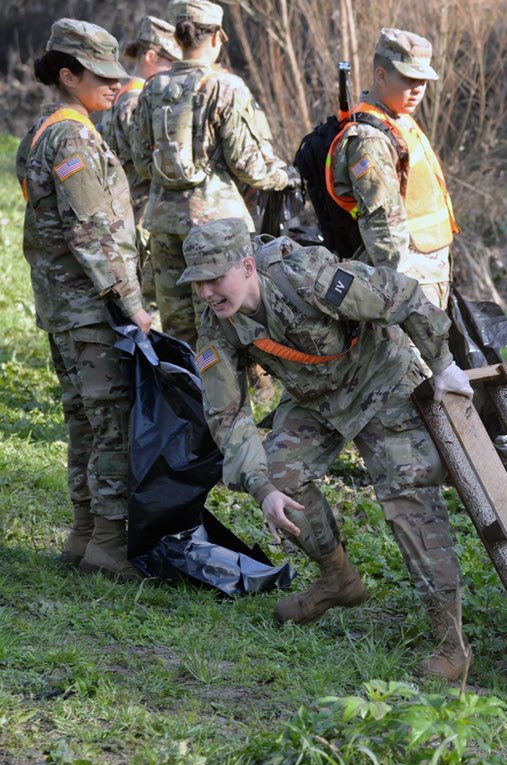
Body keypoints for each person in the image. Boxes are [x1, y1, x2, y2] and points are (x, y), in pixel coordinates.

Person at [182, 217, 475, 682]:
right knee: (277, 477)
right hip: (316, 400)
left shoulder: (307, 276)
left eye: (215, 279)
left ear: (246, 266)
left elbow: (403, 294)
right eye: (197, 283)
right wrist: (261, 488)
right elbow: (227, 413)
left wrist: (442, 364)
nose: (207, 293)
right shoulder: (217, 323)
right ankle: (339, 579)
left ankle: (450, 644)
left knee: (409, 500)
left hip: (383, 383)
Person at [18, 19, 152, 580]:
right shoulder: (71, 136)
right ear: (68, 75)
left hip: (64, 308)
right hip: (90, 310)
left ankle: (83, 536)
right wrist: (133, 303)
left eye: (118, 73)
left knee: (85, 422)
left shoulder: (43, 131)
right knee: (111, 424)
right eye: (102, 74)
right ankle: (109, 545)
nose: (116, 83)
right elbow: (91, 230)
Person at [132, 0, 297, 350]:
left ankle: (188, 398)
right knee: (229, 322)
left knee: (178, 329)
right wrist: (285, 176)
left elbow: (142, 163)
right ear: (218, 38)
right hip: (215, 228)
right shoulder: (225, 86)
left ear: (176, 38)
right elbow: (248, 165)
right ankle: (237, 401)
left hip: (162, 222)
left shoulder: (151, 89)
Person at [326, 28, 459, 310]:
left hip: (428, 270)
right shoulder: (369, 138)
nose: (417, 90)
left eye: (422, 81)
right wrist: (400, 292)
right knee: (413, 355)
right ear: (381, 75)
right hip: (408, 279)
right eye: (409, 79)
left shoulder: (399, 118)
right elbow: (382, 223)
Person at [98, 15, 181, 309]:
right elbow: (149, 161)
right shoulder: (135, 102)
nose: (175, 70)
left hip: (129, 213)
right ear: (150, 56)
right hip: (140, 215)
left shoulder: (121, 96)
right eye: (171, 62)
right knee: (148, 305)